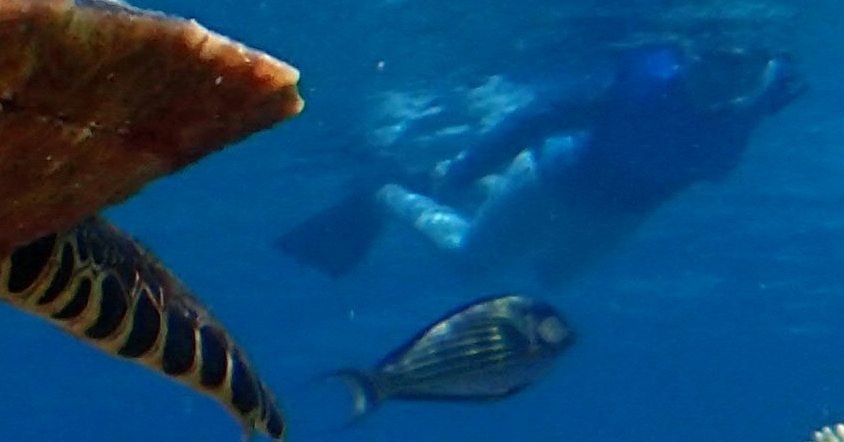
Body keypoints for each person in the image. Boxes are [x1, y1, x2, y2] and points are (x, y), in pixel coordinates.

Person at [277, 42, 800, 284]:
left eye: (743, 75)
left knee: (553, 276)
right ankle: (386, 190)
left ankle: (485, 196)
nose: (725, 86)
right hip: (553, 183)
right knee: (471, 263)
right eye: (714, 70)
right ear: (686, 55)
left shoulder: (762, 96)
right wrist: (465, 170)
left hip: (620, 213)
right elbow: (533, 120)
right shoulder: (631, 89)